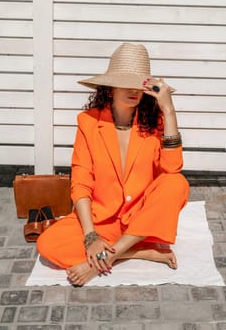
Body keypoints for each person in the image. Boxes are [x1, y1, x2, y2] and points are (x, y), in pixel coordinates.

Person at [37, 43, 189, 286]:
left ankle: (109, 255)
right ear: (109, 87)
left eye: (138, 83)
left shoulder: (155, 121)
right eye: (124, 81)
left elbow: (172, 169)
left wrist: (169, 110)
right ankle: (136, 251)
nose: (133, 90)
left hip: (140, 219)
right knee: (47, 245)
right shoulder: (88, 122)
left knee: (176, 183)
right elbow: (81, 182)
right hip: (103, 221)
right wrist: (90, 237)